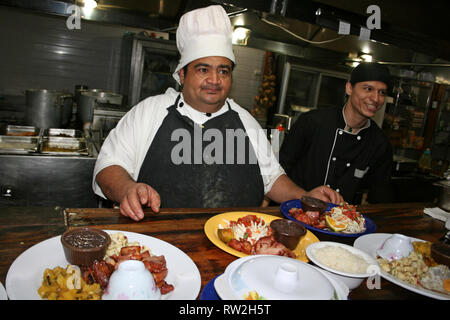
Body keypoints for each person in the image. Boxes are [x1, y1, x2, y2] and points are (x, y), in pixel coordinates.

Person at [92, 5, 342, 221]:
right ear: (182, 74)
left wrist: (304, 196)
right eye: (203, 69)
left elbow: (271, 178)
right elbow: (108, 165)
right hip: (160, 243)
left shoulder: (245, 122)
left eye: (223, 71)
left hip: (234, 248)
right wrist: (127, 189)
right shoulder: (150, 113)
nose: (214, 80)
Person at [279, 62, 394, 204]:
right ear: (349, 88)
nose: (376, 99)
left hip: (342, 222)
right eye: (368, 88)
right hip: (295, 210)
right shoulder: (312, 122)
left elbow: (379, 196)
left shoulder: (379, 143)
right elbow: (279, 170)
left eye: (382, 92)